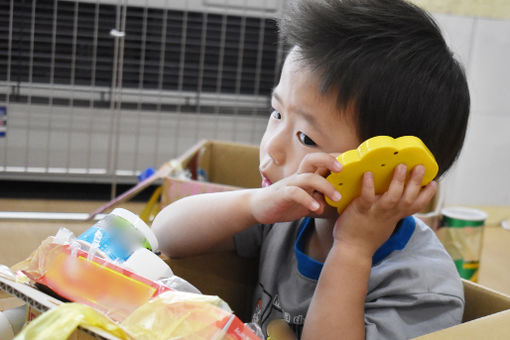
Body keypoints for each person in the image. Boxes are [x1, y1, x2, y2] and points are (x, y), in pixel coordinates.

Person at [152, 0, 470, 338]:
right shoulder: (287, 214)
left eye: (305, 136)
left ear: (389, 170)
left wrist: (353, 248)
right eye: (277, 113)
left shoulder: (423, 288)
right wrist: (253, 205)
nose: (271, 146)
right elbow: (165, 235)